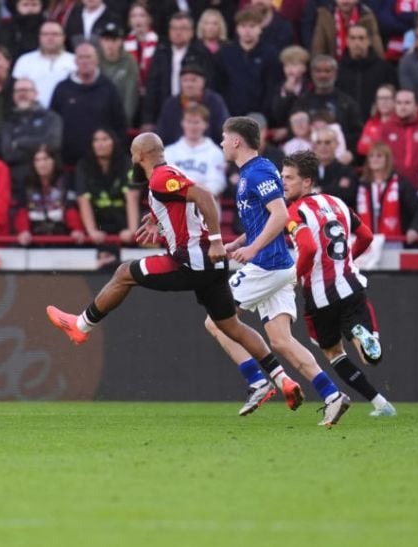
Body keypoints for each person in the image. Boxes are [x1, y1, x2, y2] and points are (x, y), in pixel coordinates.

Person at [46, 132, 315, 421]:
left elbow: (205, 197)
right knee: (231, 326)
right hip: (211, 265)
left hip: (191, 261)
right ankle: (281, 379)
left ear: (139, 156)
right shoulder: (165, 178)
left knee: (125, 272)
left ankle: (82, 325)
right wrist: (157, 217)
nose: (132, 159)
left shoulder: (161, 177)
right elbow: (182, 201)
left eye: (134, 154)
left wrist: (214, 239)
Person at [205, 116, 351, 425]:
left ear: (235, 141)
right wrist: (240, 241)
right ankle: (332, 396)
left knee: (216, 322)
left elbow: (281, 214)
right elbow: (264, 217)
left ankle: (259, 381)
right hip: (279, 266)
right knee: (282, 341)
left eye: (223, 137)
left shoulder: (257, 172)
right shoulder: (256, 172)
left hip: (267, 265)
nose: (220, 143)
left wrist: (253, 249)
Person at [281, 150, 397, 416]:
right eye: (282, 177)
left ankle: (379, 401)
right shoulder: (337, 202)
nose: (283, 182)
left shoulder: (294, 211)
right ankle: (381, 403)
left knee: (333, 352)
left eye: (289, 178)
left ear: (307, 182)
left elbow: (308, 249)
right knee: (370, 358)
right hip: (351, 284)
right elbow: (366, 236)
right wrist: (346, 259)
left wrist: (294, 276)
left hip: (320, 295)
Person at [50, 42, 127, 167]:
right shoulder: (62, 89)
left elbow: (120, 124)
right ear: (75, 61)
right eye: (81, 57)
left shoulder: (109, 88)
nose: (85, 61)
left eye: (89, 57)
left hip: (102, 163)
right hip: (68, 163)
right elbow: (53, 123)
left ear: (97, 60)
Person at [141, 12, 214, 130]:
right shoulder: (161, 52)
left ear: (191, 32)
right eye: (174, 28)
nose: (178, 32)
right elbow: (152, 87)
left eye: (183, 28)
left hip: (195, 115)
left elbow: (210, 85)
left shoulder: (202, 53)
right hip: (166, 112)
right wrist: (148, 119)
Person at [1, 78, 63, 197]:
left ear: (36, 93)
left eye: (26, 90)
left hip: (48, 185)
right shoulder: (8, 121)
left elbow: (54, 144)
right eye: (18, 91)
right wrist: (39, 146)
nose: (22, 94)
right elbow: (8, 154)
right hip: (17, 185)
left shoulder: (51, 118)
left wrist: (19, 143)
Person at [74, 128, 138, 244]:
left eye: (105, 139)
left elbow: (132, 196)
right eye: (96, 140)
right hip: (97, 219)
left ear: (114, 142)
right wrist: (92, 231)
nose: (100, 144)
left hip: (122, 218)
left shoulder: (127, 163)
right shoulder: (83, 166)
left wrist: (131, 230)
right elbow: (83, 199)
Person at [292, 55, 364, 156]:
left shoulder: (347, 103)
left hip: (339, 159)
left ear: (335, 73)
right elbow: (293, 132)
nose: (323, 75)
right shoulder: (301, 103)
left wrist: (349, 152)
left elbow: (358, 135)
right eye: (318, 71)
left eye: (327, 71)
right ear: (312, 73)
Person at [14, 144, 85, 246]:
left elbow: (71, 207)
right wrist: (23, 231)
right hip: (34, 241)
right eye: (37, 160)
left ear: (54, 161)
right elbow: (22, 209)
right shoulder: (26, 183)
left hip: (63, 240)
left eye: (46, 159)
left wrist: (76, 229)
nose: (42, 164)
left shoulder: (66, 181)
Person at [357, 141, 418, 247]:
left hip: (393, 242)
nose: (374, 159)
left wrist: (414, 229)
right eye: (371, 156)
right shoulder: (361, 185)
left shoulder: (401, 183)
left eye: (379, 156)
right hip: (366, 244)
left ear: (387, 160)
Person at [156, 63, 229, 145]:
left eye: (193, 80)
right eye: (185, 80)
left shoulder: (215, 102)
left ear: (203, 81)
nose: (189, 84)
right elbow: (162, 133)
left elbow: (224, 132)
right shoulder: (171, 104)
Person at [380, 88, 418, 187]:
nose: (402, 107)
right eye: (399, 103)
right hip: (393, 186)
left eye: (407, 103)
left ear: (417, 106)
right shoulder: (386, 128)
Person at [335, 23, 398, 119]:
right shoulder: (337, 70)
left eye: (361, 38)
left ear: (369, 41)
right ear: (347, 41)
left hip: (377, 124)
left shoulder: (385, 69)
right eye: (353, 38)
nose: (357, 42)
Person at [164, 104, 227, 196]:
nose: (192, 126)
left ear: (205, 125)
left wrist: (191, 191)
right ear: (182, 123)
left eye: (196, 122)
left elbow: (217, 184)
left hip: (204, 205)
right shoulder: (169, 152)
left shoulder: (216, 152)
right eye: (189, 122)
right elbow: (166, 182)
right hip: (176, 203)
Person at [11, 21, 76, 109]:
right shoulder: (25, 60)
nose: (50, 38)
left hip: (67, 111)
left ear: (63, 37)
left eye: (55, 34)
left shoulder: (74, 61)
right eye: (45, 34)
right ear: (39, 37)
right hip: (33, 113)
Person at [98, 22, 139, 128]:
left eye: (114, 40)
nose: (110, 44)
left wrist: (125, 122)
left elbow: (131, 95)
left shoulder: (129, 61)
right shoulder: (94, 59)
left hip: (120, 118)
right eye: (107, 40)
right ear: (100, 41)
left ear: (121, 41)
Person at [312, 0, 384, 59]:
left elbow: (377, 49)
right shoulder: (325, 15)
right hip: (333, 67)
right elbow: (318, 48)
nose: (345, 1)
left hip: (359, 67)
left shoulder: (367, 16)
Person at [357, 83, 396, 157]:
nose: (383, 102)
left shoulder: (400, 123)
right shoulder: (371, 123)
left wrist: (373, 143)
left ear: (394, 101)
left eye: (387, 98)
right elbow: (361, 148)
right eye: (380, 98)